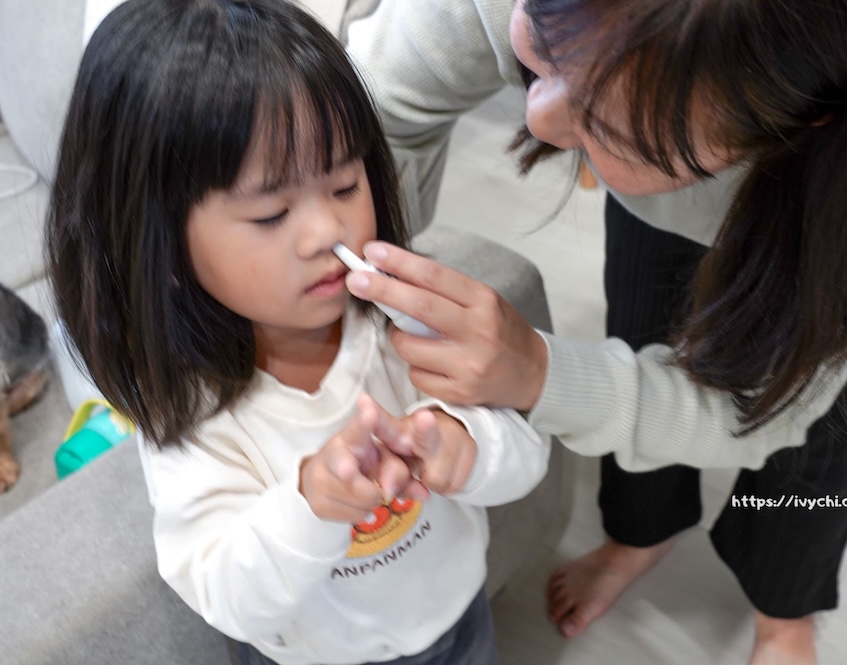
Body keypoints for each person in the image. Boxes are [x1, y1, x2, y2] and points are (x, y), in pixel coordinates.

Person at [343, 0, 847, 662]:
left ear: (801, 120)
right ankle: (640, 530)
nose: (538, 118)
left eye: (617, 133)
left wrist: (543, 374)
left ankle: (785, 605)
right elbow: (373, 115)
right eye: (542, 34)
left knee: (821, 421)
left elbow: (754, 409)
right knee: (638, 315)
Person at [44, 1, 550, 664]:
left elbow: (528, 448)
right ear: (158, 244)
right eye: (271, 213)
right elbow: (222, 589)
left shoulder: (411, 319)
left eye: (344, 184)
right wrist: (313, 505)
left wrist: (469, 446)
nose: (327, 232)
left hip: (454, 618)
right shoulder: (192, 407)